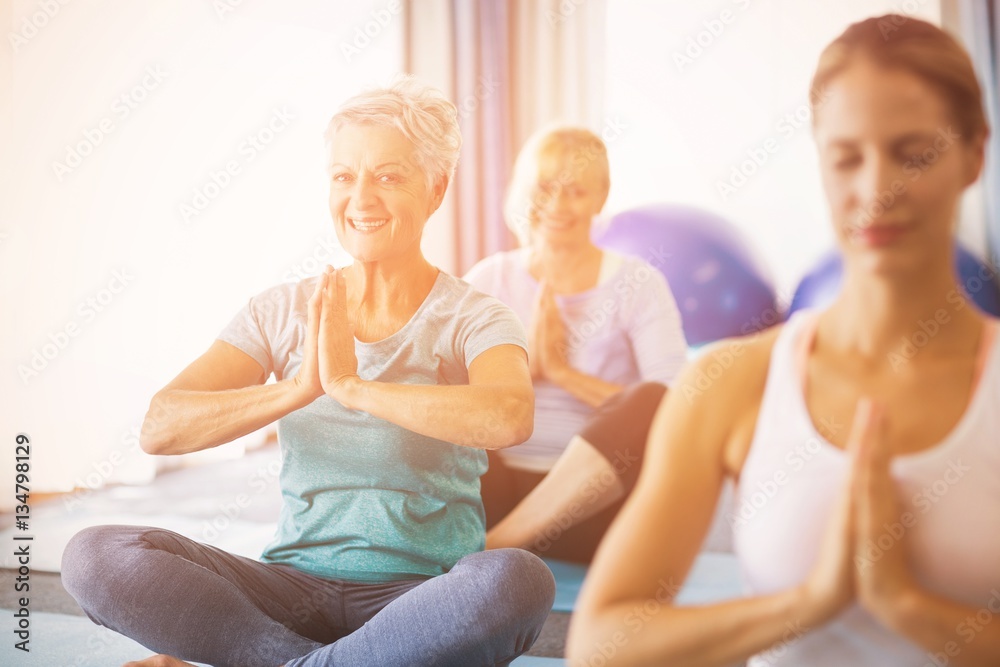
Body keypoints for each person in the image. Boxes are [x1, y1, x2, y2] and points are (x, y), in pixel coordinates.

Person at [60, 76, 555, 667]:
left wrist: (354, 387)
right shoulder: (283, 310)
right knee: (94, 554)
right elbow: (160, 428)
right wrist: (298, 390)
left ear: (437, 188)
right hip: (286, 591)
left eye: (388, 176)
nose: (361, 200)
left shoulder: (475, 317)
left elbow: (508, 415)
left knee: (516, 580)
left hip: (420, 600)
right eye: (344, 176)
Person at [567, 14, 1000, 666]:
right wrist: (808, 603)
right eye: (847, 157)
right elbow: (603, 642)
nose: (876, 189)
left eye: (913, 154)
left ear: (974, 154)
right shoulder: (733, 379)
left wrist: (907, 605)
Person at [464, 126, 688, 563]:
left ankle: (497, 548)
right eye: (545, 188)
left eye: (576, 191)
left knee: (653, 401)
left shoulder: (638, 283)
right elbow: (449, 396)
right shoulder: (490, 279)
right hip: (491, 497)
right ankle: (494, 539)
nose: (556, 205)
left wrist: (566, 374)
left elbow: (680, 409)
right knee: (436, 394)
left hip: (594, 511)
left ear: (601, 198)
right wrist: (528, 369)